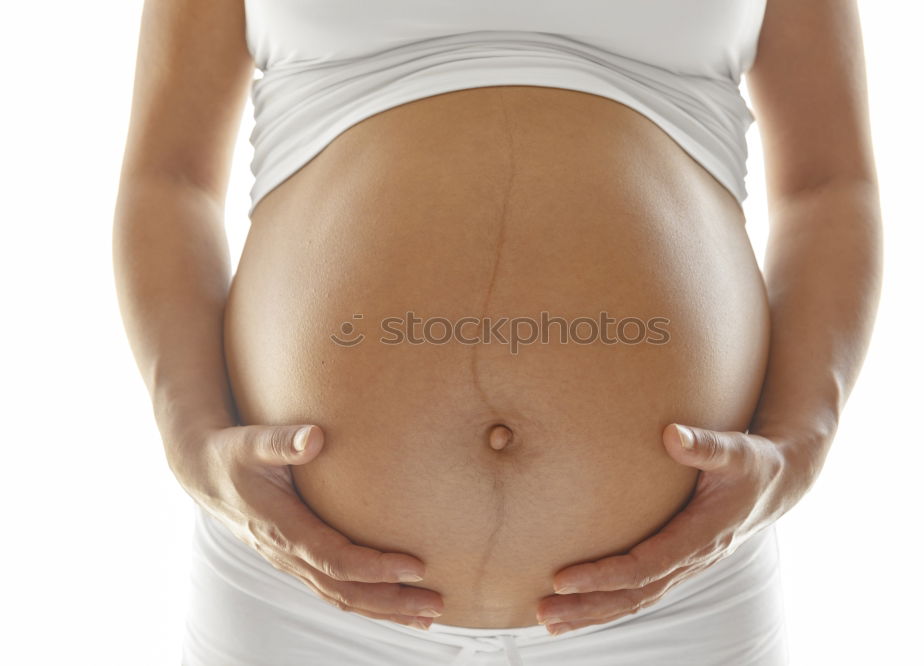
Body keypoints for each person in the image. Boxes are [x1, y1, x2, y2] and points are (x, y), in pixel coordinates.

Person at [113, 0, 882, 664]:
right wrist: (192, 443)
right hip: (297, 589)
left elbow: (828, 185)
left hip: (676, 594)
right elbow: (170, 177)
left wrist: (799, 447)